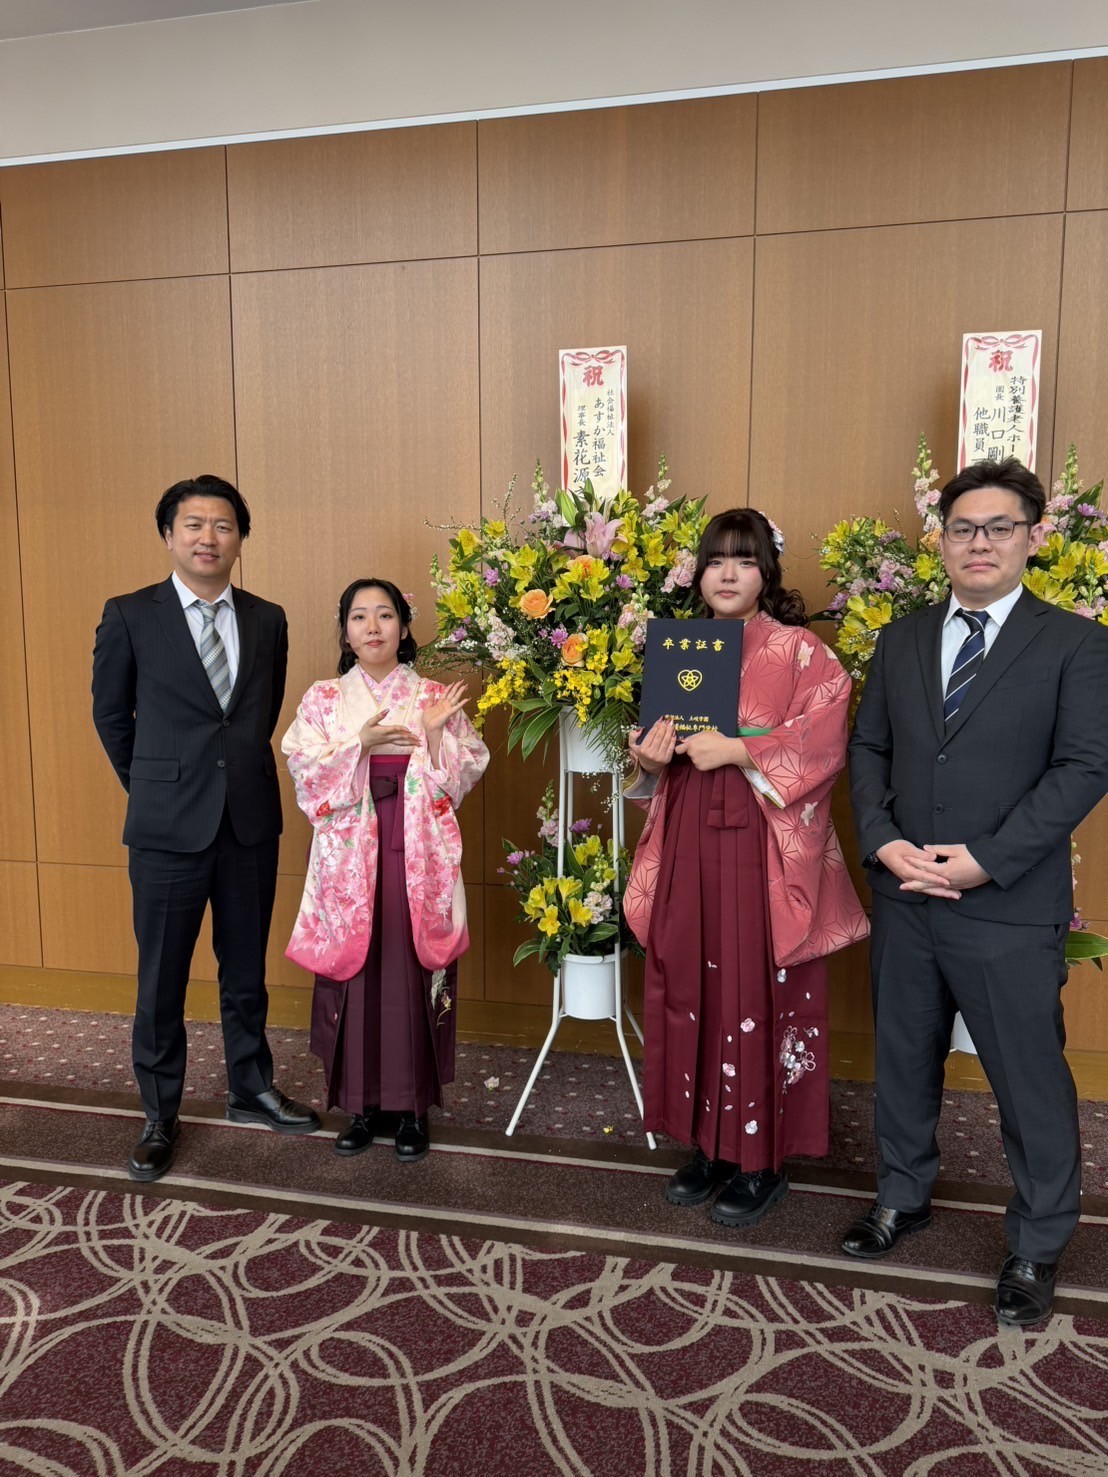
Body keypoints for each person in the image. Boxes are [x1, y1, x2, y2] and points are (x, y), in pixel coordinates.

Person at [844, 456, 1108, 1328]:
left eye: (999, 527)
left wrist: (986, 859)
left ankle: (1038, 1240)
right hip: (907, 893)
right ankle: (902, 1194)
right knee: (903, 1058)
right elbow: (869, 747)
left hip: (1007, 903)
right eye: (964, 528)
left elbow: (1084, 767)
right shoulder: (902, 638)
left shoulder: (1076, 643)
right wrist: (883, 840)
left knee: (1028, 1079)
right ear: (942, 540)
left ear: (1033, 537)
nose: (980, 542)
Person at [624, 509, 868, 1229]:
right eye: (716, 560)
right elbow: (656, 758)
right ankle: (706, 1144)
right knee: (689, 977)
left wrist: (738, 749)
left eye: (745, 560)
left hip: (760, 839)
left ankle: (761, 1158)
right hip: (686, 829)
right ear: (697, 573)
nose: (728, 574)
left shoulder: (799, 651)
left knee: (754, 984)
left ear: (767, 571)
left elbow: (824, 738)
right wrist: (648, 760)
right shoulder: (678, 647)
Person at [92, 475, 321, 1184]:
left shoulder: (267, 618)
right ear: (169, 535)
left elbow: (257, 715)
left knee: (245, 970)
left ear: (240, 538)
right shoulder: (131, 614)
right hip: (165, 827)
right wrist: (157, 785)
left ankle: (251, 1087)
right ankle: (160, 1113)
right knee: (161, 977)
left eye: (223, 525)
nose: (208, 538)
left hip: (247, 821)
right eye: (193, 524)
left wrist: (223, 781)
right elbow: (111, 716)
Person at [282, 579, 488, 1162]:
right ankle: (360, 1106)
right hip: (351, 852)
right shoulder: (323, 699)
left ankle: (412, 1108)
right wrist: (359, 744)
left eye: (385, 615)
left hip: (414, 847)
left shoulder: (432, 695)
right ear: (345, 630)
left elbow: (466, 771)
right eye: (359, 617)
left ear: (404, 626)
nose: (372, 627)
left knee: (408, 968)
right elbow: (303, 769)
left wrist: (433, 734)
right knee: (357, 970)